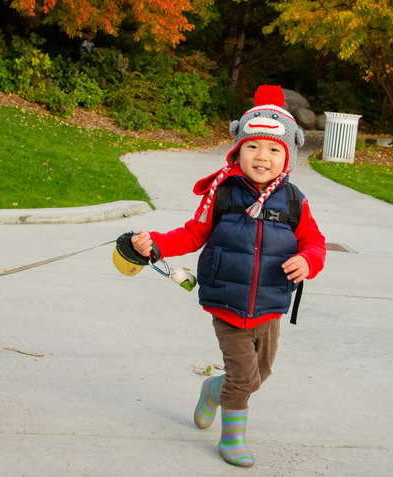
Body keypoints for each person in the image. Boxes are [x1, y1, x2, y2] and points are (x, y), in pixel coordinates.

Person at [129, 85, 327, 467]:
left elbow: (315, 242)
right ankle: (233, 437)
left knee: (259, 374)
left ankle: (212, 391)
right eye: (253, 146)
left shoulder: (293, 201)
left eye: (273, 149)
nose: (262, 156)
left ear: (287, 157)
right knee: (243, 376)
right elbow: (193, 233)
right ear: (237, 150)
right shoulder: (222, 192)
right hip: (227, 303)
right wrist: (155, 243)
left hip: (270, 305)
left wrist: (308, 261)